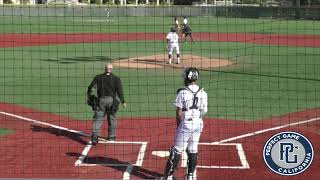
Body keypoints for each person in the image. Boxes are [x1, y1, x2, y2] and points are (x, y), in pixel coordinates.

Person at [161, 67, 208, 180]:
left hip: (186, 123)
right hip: (198, 123)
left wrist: (179, 126)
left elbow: (178, 112)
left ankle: (168, 177)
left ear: (187, 77)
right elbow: (204, 111)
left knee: (176, 149)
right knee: (193, 149)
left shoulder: (182, 92)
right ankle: (190, 176)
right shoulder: (203, 92)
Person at [87, 63, 126, 145]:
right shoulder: (116, 79)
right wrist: (123, 101)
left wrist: (89, 95)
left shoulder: (98, 77)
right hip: (112, 101)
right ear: (111, 69)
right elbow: (120, 91)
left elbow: (91, 87)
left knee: (98, 118)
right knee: (112, 118)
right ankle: (112, 136)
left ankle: (95, 135)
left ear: (105, 68)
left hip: (101, 100)